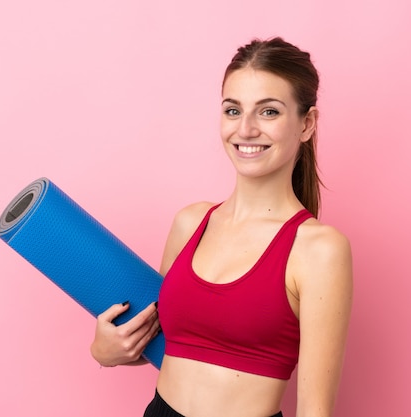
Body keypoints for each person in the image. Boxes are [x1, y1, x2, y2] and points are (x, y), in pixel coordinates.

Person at [90, 37, 353, 417]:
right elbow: (163, 343)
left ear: (307, 124)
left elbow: (315, 411)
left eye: (269, 112)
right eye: (233, 110)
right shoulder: (190, 222)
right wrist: (105, 350)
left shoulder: (318, 249)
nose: (245, 129)